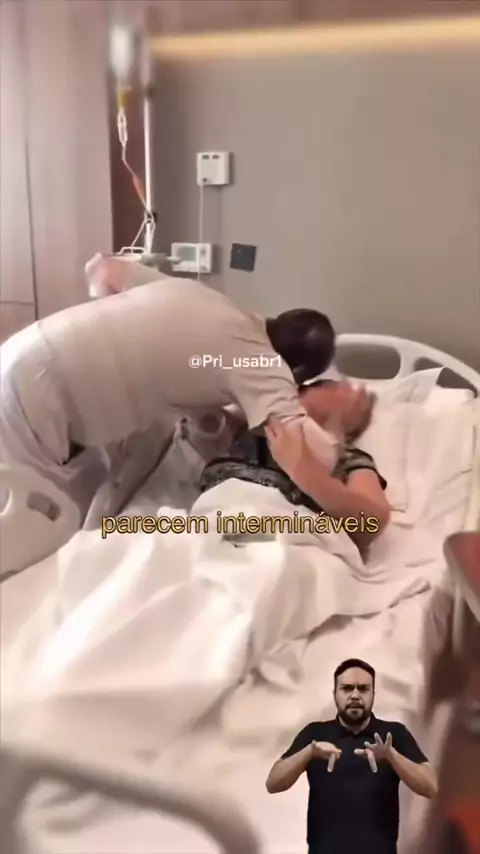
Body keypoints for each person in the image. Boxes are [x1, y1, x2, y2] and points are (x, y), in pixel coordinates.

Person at [0, 270, 374, 522]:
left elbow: (104, 270)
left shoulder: (205, 297)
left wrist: (110, 348)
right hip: (42, 400)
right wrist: (340, 424)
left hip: (23, 350)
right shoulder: (262, 364)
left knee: (61, 505)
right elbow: (314, 457)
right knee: (40, 523)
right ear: (298, 374)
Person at [265, 658, 438, 854]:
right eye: (347, 689)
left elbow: (430, 786)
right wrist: (308, 753)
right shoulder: (315, 733)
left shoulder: (393, 734)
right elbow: (273, 783)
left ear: (373, 694)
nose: (355, 695)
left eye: (363, 689)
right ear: (335, 694)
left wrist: (392, 756)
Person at [196, 379, 390, 552]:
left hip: (288, 543)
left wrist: (305, 472)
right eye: (308, 415)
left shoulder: (349, 459)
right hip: (213, 531)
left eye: (326, 423)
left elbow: (372, 522)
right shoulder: (243, 431)